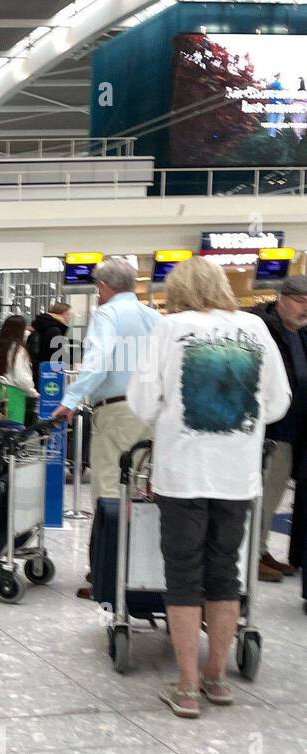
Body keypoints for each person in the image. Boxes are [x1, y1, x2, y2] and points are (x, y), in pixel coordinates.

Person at [127, 257, 290, 718]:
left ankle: (186, 687)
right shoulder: (256, 330)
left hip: (183, 473)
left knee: (183, 573)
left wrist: (173, 414)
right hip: (237, 474)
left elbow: (142, 401)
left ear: (177, 290)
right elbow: (277, 402)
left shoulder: (167, 329)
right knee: (225, 572)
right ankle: (217, 678)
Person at [52, 257, 160, 598]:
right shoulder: (153, 316)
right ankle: (138, 571)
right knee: (144, 494)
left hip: (116, 413)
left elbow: (98, 361)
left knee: (110, 492)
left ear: (104, 286)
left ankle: (106, 575)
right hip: (151, 412)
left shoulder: (108, 314)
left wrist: (70, 400)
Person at [248, 276, 307, 580]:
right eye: (300, 300)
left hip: (291, 430)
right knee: (262, 491)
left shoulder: (299, 332)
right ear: (281, 298)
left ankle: (260, 547)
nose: (304, 308)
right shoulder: (261, 327)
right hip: (267, 430)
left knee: (273, 494)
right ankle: (249, 555)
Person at [0, 314, 37, 421]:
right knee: (14, 432)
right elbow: (22, 378)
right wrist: (33, 393)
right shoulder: (18, 350)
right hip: (13, 395)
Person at [26, 302, 71, 379]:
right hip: (50, 373)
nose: (69, 317)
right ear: (61, 314)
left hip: (39, 370)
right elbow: (56, 356)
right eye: (68, 314)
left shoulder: (44, 326)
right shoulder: (54, 330)